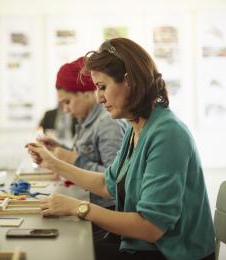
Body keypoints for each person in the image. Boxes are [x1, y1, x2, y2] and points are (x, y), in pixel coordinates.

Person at [26, 38, 215, 260]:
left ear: (130, 81)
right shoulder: (137, 126)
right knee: (69, 247)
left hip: (171, 254)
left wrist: (79, 208)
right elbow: (108, 184)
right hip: (145, 247)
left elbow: (150, 227)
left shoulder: (167, 134)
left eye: (103, 87)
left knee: (69, 253)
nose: (99, 97)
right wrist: (53, 163)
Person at [37, 57, 126, 211]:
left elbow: (115, 181)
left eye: (67, 102)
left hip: (106, 211)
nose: (65, 110)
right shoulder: (85, 120)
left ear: (86, 93)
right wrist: (60, 149)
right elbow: (90, 155)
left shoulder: (107, 123)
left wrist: (72, 159)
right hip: (91, 204)